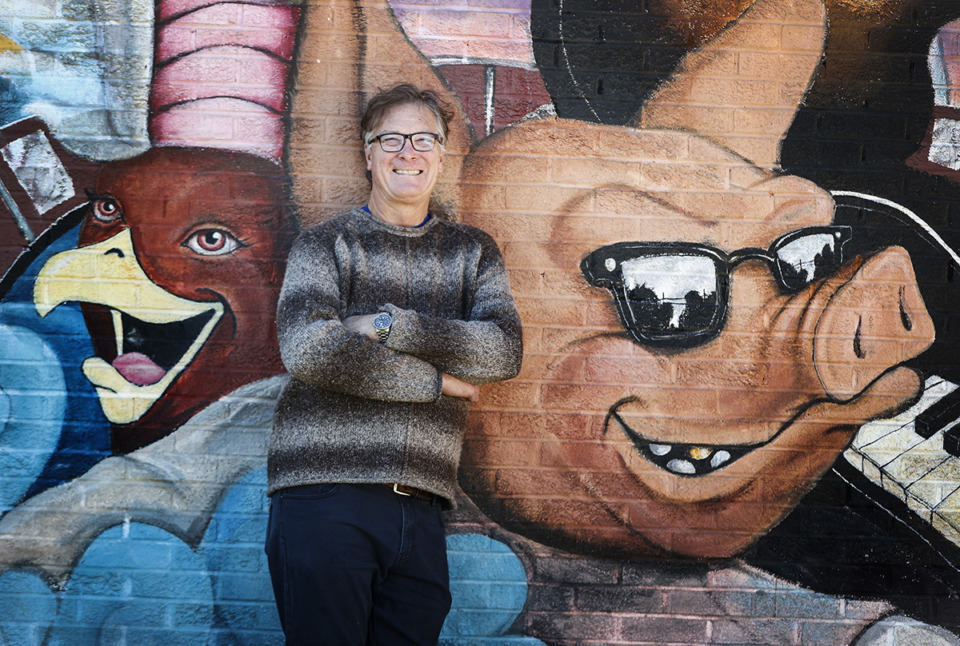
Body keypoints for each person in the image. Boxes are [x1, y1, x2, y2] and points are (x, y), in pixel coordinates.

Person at [264, 83, 523, 645]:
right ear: (367, 153)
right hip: (327, 493)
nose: (409, 151)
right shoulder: (324, 246)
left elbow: (503, 350)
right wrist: (435, 383)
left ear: (442, 152)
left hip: (424, 507)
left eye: (424, 138)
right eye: (392, 139)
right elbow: (310, 349)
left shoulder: (472, 252)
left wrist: (389, 326)